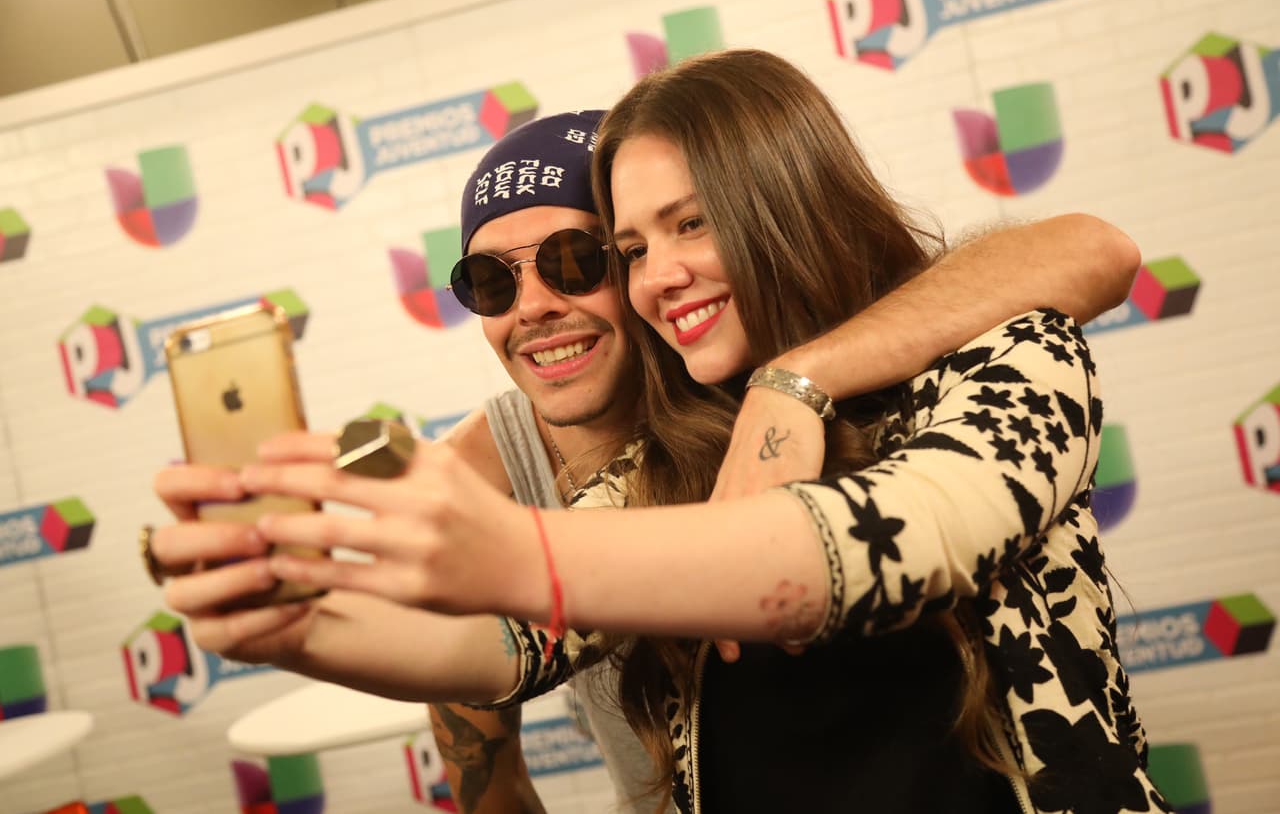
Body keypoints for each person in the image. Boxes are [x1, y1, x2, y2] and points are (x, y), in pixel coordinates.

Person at [150, 83, 1150, 813]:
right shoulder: (669, 459)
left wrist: (514, 552)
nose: (656, 275)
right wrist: (290, 629)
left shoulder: (1008, 353)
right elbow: (495, 646)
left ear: (780, 205)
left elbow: (900, 535)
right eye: (630, 250)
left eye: (688, 225)